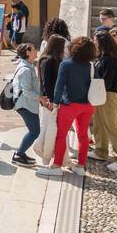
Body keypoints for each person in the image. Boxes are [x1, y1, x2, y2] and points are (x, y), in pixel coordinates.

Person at [48, 35, 98, 177]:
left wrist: (55, 103)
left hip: (69, 105)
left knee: (61, 135)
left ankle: (57, 165)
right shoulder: (90, 66)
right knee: (83, 136)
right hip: (87, 105)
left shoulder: (66, 64)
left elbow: (59, 86)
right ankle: (81, 166)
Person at [90, 29, 117, 172]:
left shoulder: (111, 59)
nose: (94, 42)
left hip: (108, 95)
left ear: (102, 42)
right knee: (99, 124)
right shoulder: (104, 57)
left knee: (112, 127)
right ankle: (101, 151)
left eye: (95, 40)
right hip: (100, 95)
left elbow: (106, 80)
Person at [31, 34, 68, 165]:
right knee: (49, 129)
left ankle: (52, 156)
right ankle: (44, 155)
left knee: (51, 128)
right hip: (49, 100)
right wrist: (52, 101)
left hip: (50, 100)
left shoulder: (51, 59)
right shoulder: (49, 60)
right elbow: (47, 83)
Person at [10, 42, 42, 165]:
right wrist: (40, 98)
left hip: (27, 104)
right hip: (25, 105)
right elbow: (27, 91)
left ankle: (20, 153)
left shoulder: (28, 66)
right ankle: (18, 154)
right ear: (27, 52)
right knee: (35, 131)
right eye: (34, 49)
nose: (36, 51)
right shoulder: (25, 69)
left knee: (33, 131)